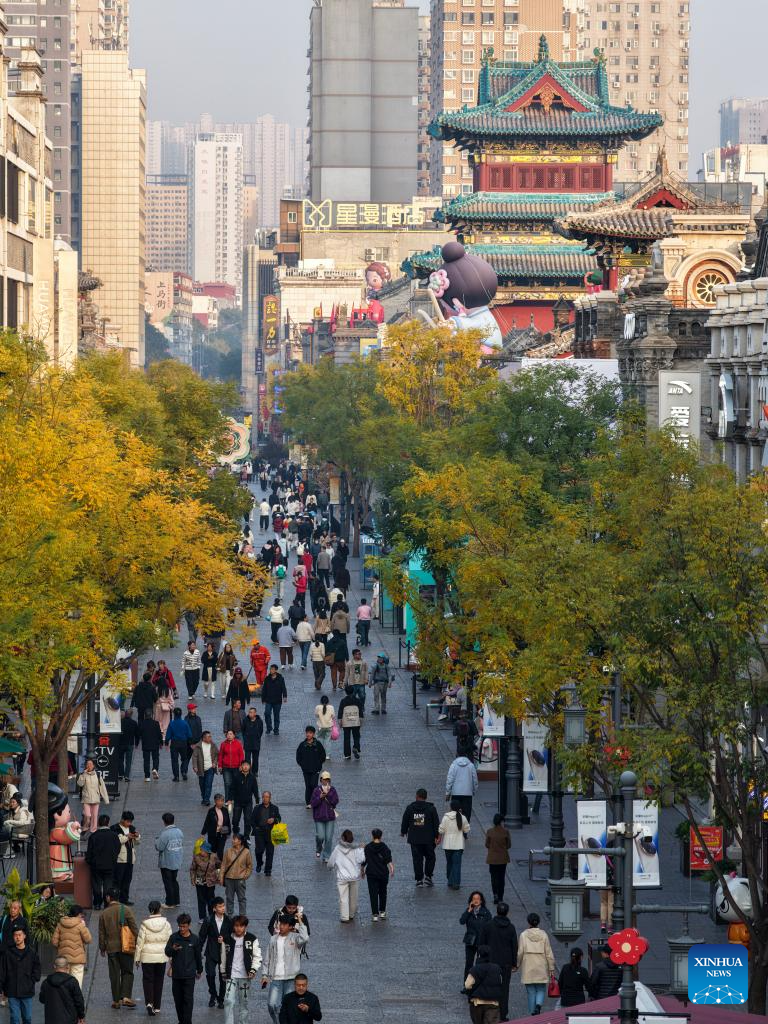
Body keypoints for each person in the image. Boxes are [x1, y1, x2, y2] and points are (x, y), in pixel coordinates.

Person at [262, 915, 309, 1024]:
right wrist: (264, 975)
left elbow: (305, 937)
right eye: (280, 924)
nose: (281, 926)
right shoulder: (273, 939)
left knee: (288, 1006)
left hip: (291, 978)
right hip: (276, 977)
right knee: (272, 1004)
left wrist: (300, 921)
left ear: (291, 927)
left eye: (284, 924)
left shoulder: (296, 938)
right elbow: (267, 958)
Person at [99, 889, 138, 1009]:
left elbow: (102, 933)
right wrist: (137, 943)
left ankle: (116, 1000)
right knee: (127, 971)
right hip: (126, 946)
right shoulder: (126, 910)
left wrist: (102, 948)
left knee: (114, 974)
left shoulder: (104, 913)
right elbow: (134, 929)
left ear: (108, 898)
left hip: (111, 948)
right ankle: (126, 996)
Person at [479, 902, 518, 1021]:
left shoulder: (488, 925)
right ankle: (503, 1013)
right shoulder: (511, 927)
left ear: (497, 911)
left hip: (490, 960)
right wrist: (514, 963)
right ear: (507, 912)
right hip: (505, 962)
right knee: (504, 988)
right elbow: (514, 946)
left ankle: (489, 1012)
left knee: (490, 986)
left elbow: (481, 943)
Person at [220, 915, 261, 1024]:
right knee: (228, 1000)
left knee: (244, 1003)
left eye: (241, 926)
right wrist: (223, 970)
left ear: (245, 927)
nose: (238, 928)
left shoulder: (252, 939)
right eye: (236, 926)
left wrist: (253, 970)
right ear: (233, 926)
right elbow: (223, 956)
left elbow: (257, 956)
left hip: (245, 976)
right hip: (231, 975)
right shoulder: (227, 939)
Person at [134, 900, 172, 1016]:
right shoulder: (166, 924)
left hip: (147, 957)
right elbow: (170, 941)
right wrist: (171, 957)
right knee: (159, 980)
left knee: (148, 980)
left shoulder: (144, 925)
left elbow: (140, 943)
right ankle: (157, 1006)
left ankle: (149, 1003)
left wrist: (137, 958)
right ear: (160, 909)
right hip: (161, 956)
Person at [164, 914, 203, 1024]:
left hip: (189, 976)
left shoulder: (194, 939)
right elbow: (167, 952)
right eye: (180, 926)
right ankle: (181, 1021)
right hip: (176, 975)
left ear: (189, 925)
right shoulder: (174, 937)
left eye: (184, 926)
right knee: (178, 1001)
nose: (182, 929)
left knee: (188, 1001)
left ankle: (187, 1022)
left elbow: (198, 957)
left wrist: (199, 970)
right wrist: (173, 949)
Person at [517, 912, 556, 1016]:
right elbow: (548, 953)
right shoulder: (544, 935)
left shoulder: (523, 935)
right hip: (541, 965)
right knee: (541, 989)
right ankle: (538, 1006)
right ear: (538, 922)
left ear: (528, 922)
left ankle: (532, 1012)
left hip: (528, 965)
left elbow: (520, 952)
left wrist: (517, 965)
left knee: (531, 991)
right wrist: (551, 968)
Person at [400, 788, 440, 887]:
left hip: (415, 839)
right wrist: (437, 835)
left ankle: (419, 879)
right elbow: (436, 823)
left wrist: (403, 831)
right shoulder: (431, 808)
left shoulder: (410, 808)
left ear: (417, 796)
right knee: (431, 857)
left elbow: (405, 820)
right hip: (428, 839)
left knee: (417, 859)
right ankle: (428, 877)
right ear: (426, 797)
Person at [0, 926, 40, 1024]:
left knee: (27, 1017)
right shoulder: (7, 953)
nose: (17, 937)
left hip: (27, 990)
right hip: (12, 990)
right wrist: (1, 988)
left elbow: (37, 969)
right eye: (15, 935)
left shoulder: (32, 953)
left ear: (24, 936)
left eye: (19, 935)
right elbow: (2, 971)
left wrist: (32, 980)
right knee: (15, 1018)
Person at [327, 829, 365, 923]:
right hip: (354, 876)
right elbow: (361, 859)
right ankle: (351, 914)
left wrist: (330, 867)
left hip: (342, 877)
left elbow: (331, 863)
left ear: (343, 838)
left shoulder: (337, 848)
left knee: (343, 897)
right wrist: (362, 849)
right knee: (354, 897)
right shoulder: (356, 848)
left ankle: (344, 917)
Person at [85, 812, 121, 909]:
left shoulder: (94, 836)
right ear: (108, 823)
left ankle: (97, 903)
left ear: (98, 823)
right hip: (110, 864)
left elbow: (89, 852)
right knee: (108, 885)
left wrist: (90, 861)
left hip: (96, 865)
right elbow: (118, 849)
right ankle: (107, 903)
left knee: (96, 885)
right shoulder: (114, 836)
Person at [199, 897, 231, 1009]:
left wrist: (225, 938)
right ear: (214, 909)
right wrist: (198, 952)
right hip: (211, 952)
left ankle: (221, 999)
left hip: (224, 954)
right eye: (220, 906)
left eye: (223, 906)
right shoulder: (208, 920)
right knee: (210, 975)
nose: (223, 908)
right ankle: (213, 994)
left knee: (223, 978)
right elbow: (202, 937)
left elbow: (233, 937)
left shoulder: (228, 920)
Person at [51, 905, 91, 991]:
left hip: (63, 960)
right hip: (78, 959)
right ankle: (76, 1002)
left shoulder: (60, 924)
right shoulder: (80, 925)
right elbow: (88, 939)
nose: (82, 917)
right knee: (77, 984)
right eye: (81, 915)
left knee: (64, 984)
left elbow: (54, 942)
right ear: (79, 914)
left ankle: (65, 1002)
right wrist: (85, 927)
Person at [38, 957, 85, 1024]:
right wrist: (81, 1016)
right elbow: (79, 1001)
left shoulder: (46, 982)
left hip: (51, 1020)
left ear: (54, 966)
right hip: (70, 1020)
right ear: (67, 967)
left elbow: (42, 999)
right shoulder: (72, 981)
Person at [464, 945, 503, 1024]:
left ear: (478, 955)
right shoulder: (497, 968)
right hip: (493, 1003)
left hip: (477, 1003)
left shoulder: (475, 969)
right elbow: (500, 982)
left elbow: (467, 985)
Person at [362, 828, 394, 922]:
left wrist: (362, 871)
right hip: (383, 873)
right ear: (381, 836)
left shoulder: (368, 847)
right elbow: (388, 860)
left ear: (372, 836)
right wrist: (392, 869)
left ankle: (375, 915)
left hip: (371, 874)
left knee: (373, 894)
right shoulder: (384, 847)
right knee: (383, 893)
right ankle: (382, 912)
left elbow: (365, 860)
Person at [439, 799, 471, 890]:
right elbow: (467, 830)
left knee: (449, 863)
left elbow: (441, 830)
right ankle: (456, 882)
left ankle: (450, 880)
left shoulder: (446, 817)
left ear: (451, 807)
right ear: (459, 808)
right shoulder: (462, 817)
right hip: (458, 845)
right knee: (456, 864)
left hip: (447, 845)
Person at [460, 892, 492, 979]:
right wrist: (468, 911)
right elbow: (462, 921)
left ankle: (480, 984)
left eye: (478, 899)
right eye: (474, 899)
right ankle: (467, 984)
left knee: (481, 963)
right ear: (471, 901)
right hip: (470, 941)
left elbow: (490, 927)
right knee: (469, 963)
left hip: (482, 941)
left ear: (481, 901)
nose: (476, 901)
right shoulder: (468, 911)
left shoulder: (486, 913)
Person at [155, 812, 184, 910]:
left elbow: (159, 847)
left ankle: (170, 902)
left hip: (167, 862)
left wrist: (156, 840)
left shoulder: (165, 834)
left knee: (168, 882)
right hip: (176, 860)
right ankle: (177, 901)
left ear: (164, 822)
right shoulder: (179, 831)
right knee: (174, 881)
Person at [220, 833, 253, 917]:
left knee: (241, 898)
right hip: (229, 879)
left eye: (234, 839)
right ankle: (229, 915)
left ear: (240, 841)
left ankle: (242, 915)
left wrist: (246, 875)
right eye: (233, 839)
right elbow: (223, 865)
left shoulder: (246, 852)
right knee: (229, 898)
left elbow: (249, 865)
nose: (232, 841)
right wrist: (221, 877)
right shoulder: (228, 851)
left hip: (240, 879)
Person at [189, 839, 221, 923]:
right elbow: (192, 869)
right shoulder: (196, 857)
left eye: (202, 850)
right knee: (201, 899)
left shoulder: (214, 857)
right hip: (200, 881)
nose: (201, 851)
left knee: (211, 900)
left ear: (207, 851)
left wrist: (218, 875)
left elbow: (219, 866)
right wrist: (192, 879)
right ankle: (202, 917)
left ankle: (211, 915)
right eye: (200, 849)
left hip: (211, 881)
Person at [309, 770, 338, 862]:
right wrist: (320, 797)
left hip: (330, 817)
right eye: (324, 779)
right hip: (319, 817)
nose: (326, 781)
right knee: (320, 836)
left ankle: (326, 856)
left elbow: (335, 801)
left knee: (328, 838)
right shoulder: (316, 790)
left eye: (328, 779)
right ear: (321, 780)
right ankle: (318, 848)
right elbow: (312, 804)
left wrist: (328, 795)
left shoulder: (332, 790)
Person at [76, 757, 109, 834]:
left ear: (94, 765)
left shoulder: (97, 775)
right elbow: (79, 784)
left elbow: (102, 787)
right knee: (87, 815)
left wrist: (106, 799)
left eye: (90, 764)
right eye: (87, 764)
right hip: (86, 799)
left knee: (94, 816)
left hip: (95, 798)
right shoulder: (83, 774)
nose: (89, 765)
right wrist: (84, 774)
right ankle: (85, 828)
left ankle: (93, 831)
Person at [295, 726, 327, 808]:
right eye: (307, 733)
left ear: (313, 734)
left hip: (315, 769)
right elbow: (298, 756)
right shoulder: (302, 745)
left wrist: (319, 764)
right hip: (306, 770)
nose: (308, 734)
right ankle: (309, 803)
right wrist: (302, 765)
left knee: (314, 785)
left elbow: (323, 755)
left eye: (310, 733)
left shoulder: (318, 745)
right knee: (308, 786)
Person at [252, 791, 281, 876]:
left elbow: (279, 819)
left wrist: (274, 820)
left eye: (267, 797)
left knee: (270, 852)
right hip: (259, 832)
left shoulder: (275, 808)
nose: (265, 798)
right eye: (264, 797)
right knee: (259, 850)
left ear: (270, 798)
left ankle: (268, 870)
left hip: (270, 832)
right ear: (262, 798)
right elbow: (252, 820)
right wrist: (255, 828)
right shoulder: (257, 808)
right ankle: (259, 863)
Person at [485, 814, 511, 904]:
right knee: (501, 877)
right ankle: (500, 896)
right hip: (502, 859)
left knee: (493, 877)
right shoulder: (505, 832)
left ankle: (495, 894)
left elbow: (487, 844)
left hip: (492, 859)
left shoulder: (490, 831)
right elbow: (509, 845)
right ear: (501, 822)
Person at [446, 753, 479, 821]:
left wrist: (448, 793)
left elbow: (450, 780)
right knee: (466, 814)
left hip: (456, 793)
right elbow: (475, 780)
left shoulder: (453, 765)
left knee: (455, 813)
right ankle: (465, 830)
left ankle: (456, 828)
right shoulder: (471, 765)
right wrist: (474, 791)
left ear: (457, 755)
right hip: (467, 793)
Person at [230, 761, 258, 841]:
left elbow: (255, 789)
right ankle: (236, 831)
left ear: (249, 766)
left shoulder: (252, 778)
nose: (245, 767)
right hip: (238, 801)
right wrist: (230, 799)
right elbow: (232, 788)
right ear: (241, 766)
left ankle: (246, 835)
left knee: (248, 819)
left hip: (248, 802)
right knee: (235, 819)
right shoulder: (236, 776)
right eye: (244, 765)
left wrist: (257, 799)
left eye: (247, 765)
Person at [165, 707, 193, 782]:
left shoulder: (172, 723)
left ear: (174, 714)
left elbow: (168, 735)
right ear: (181, 714)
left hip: (174, 743)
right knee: (184, 758)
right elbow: (189, 735)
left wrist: (166, 742)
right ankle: (183, 772)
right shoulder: (185, 723)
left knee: (174, 760)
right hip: (183, 743)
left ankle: (176, 776)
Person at [202, 793, 232, 860]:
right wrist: (203, 833)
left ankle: (219, 867)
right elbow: (207, 822)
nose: (221, 803)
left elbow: (228, 822)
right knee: (213, 851)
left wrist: (229, 832)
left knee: (220, 851)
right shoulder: (211, 811)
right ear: (215, 801)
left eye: (222, 801)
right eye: (219, 801)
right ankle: (212, 865)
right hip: (213, 834)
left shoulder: (225, 810)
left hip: (222, 834)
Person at [191, 731, 218, 807]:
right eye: (208, 737)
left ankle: (206, 800)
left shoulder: (213, 745)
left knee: (208, 784)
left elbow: (217, 755)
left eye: (210, 736)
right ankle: (204, 798)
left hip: (210, 768)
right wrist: (195, 766)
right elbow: (194, 757)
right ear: (203, 738)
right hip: (201, 769)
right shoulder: (198, 746)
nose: (210, 738)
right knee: (202, 784)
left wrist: (215, 763)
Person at [218, 730, 245, 801]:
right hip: (226, 767)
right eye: (228, 734)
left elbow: (241, 755)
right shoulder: (223, 744)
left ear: (234, 735)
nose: (229, 735)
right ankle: (227, 799)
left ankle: (235, 798)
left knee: (236, 783)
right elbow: (220, 755)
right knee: (227, 783)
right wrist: (220, 765)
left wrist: (241, 765)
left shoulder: (238, 744)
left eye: (231, 734)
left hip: (236, 767)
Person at [261, 665, 288, 737]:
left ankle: (276, 729)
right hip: (268, 700)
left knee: (276, 715)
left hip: (277, 700)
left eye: (272, 669)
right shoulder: (267, 678)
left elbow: (283, 688)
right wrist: (263, 699)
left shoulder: (280, 678)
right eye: (270, 669)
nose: (271, 670)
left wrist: (285, 696)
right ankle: (269, 727)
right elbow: (264, 689)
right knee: (267, 713)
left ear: (276, 670)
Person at [338, 686, 362, 761]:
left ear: (346, 692)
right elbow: (360, 711)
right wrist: (360, 720)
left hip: (346, 722)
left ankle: (347, 754)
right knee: (356, 736)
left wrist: (340, 721)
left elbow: (340, 711)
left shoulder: (343, 701)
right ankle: (356, 747)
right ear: (353, 691)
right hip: (355, 722)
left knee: (346, 738)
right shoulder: (357, 700)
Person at [139, 711, 163, 782]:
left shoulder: (142, 723)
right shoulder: (156, 723)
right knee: (155, 758)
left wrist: (137, 743)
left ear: (145, 715)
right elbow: (159, 734)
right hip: (155, 744)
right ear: (152, 715)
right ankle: (155, 768)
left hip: (146, 744)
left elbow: (139, 734)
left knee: (146, 761)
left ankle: (147, 777)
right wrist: (161, 743)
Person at [344, 648, 368, 714]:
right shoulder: (349, 663)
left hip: (361, 682)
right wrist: (345, 682)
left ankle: (362, 706)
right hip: (353, 683)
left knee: (362, 696)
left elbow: (366, 671)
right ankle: (354, 708)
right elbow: (347, 673)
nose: (359, 655)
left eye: (360, 654)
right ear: (354, 655)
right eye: (357, 654)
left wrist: (366, 679)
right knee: (352, 696)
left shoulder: (364, 662)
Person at [241, 706, 264, 774]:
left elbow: (261, 731)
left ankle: (255, 771)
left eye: (251, 712)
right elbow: (243, 730)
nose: (250, 714)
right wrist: (245, 737)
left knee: (255, 759)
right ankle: (248, 771)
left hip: (256, 743)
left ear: (255, 713)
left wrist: (257, 737)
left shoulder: (259, 721)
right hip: (247, 743)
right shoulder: (245, 720)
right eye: (249, 712)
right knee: (247, 759)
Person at [119, 709, 140, 780]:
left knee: (120, 759)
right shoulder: (134, 723)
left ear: (125, 714)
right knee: (128, 761)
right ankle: (126, 776)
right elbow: (137, 735)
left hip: (121, 743)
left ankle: (120, 774)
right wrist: (136, 743)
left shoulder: (120, 722)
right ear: (131, 715)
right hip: (130, 744)